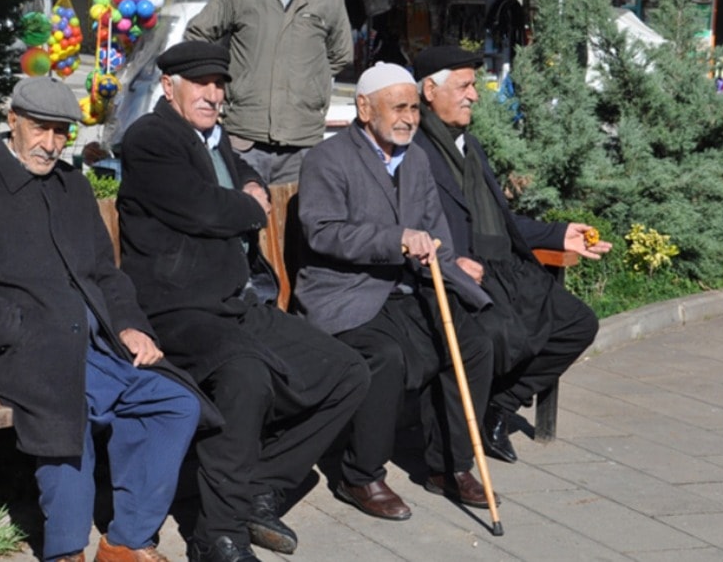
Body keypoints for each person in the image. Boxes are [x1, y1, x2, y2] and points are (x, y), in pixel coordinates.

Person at [0, 77, 215, 562]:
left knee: (176, 403)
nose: (52, 144)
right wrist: (23, 332)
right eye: (41, 129)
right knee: (66, 409)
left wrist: (130, 325)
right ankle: (65, 551)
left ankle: (126, 541)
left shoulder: (72, 186)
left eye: (62, 132)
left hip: (98, 343)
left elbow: (105, 272)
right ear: (12, 120)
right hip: (24, 350)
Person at [118, 42, 368, 562]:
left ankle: (258, 488)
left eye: (219, 84)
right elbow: (203, 209)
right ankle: (218, 534)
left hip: (236, 303)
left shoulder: (214, 139)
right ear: (170, 86)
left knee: (346, 371)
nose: (213, 94)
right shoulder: (151, 138)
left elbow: (240, 179)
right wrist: (250, 206)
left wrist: (250, 184)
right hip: (176, 310)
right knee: (245, 376)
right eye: (201, 84)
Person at [292, 62, 495, 522]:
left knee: (474, 342)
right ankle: (360, 475)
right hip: (346, 292)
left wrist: (458, 279)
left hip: (405, 287)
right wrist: (396, 239)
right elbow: (322, 233)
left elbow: (435, 231)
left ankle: (449, 465)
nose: (408, 117)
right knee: (385, 356)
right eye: (397, 107)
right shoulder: (328, 159)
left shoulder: (417, 159)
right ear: (365, 108)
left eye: (414, 109)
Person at [411, 45, 609, 464]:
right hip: (462, 272)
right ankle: (463, 432)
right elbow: (410, 225)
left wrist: (558, 235)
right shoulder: (413, 152)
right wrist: (450, 264)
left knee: (578, 324)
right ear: (430, 89)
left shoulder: (470, 145)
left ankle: (499, 405)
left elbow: (499, 219)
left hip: (503, 264)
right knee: (502, 336)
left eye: (474, 86)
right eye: (464, 85)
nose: (474, 95)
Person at [184, 0, 354, 185]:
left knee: (297, 220)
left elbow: (341, 54)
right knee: (242, 216)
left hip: (302, 139)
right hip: (245, 135)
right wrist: (225, 80)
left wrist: (310, 82)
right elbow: (197, 34)